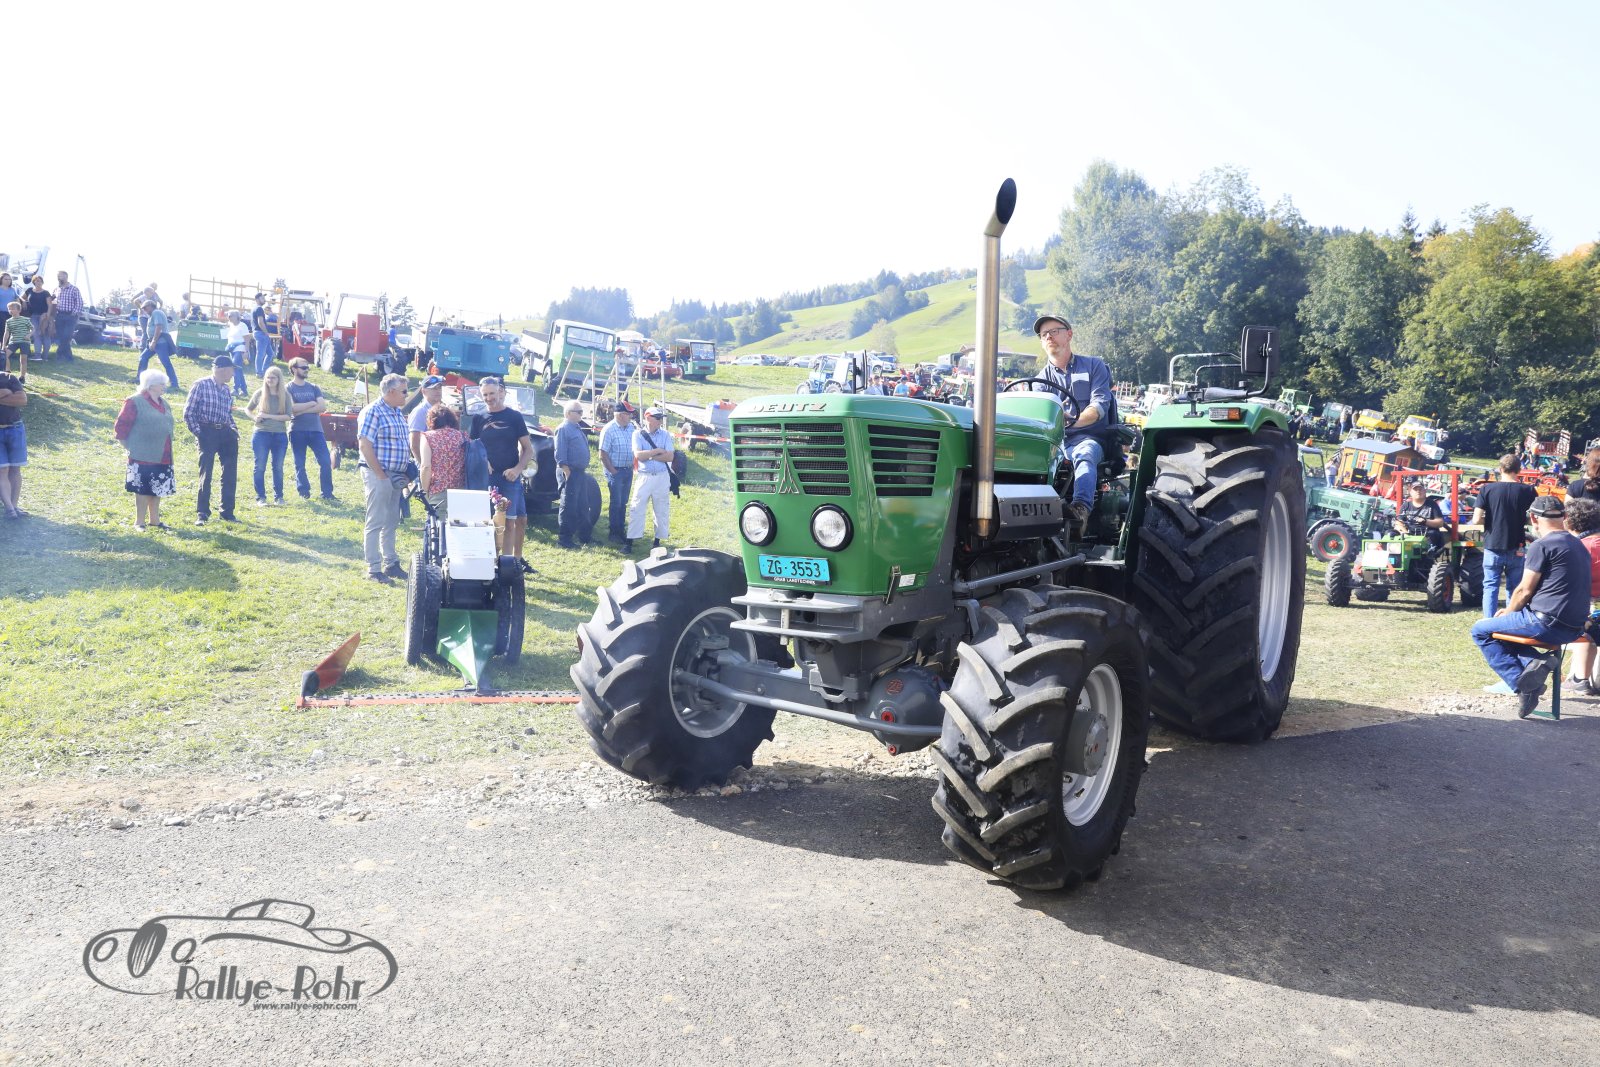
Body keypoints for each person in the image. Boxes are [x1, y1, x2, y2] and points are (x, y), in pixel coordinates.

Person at [1470, 496, 1593, 717]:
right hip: (1575, 627)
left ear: (1533, 518)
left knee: (1480, 630)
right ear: (1564, 516)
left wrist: (1508, 612)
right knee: (1502, 631)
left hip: (1546, 622)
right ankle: (1534, 663)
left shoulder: (1542, 545)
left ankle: (1523, 686)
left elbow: (1524, 590)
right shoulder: (1579, 545)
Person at [1032, 313, 1116, 530]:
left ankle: (1080, 510)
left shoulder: (1094, 366)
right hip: (1055, 442)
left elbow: (1099, 406)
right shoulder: (1039, 381)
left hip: (1089, 438)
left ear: (1068, 335)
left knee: (1084, 452)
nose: (1048, 336)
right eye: (1044, 334)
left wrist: (1070, 422)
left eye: (1054, 331)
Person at [470, 376, 535, 570]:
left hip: (509, 478)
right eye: (485, 395)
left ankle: (507, 566)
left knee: (509, 523)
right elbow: (472, 446)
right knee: (489, 522)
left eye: (492, 393)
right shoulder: (478, 417)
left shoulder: (514, 417)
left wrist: (517, 469)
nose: (489, 398)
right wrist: (483, 461)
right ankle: (489, 562)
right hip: (487, 478)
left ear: (500, 391)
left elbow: (528, 449)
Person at [356, 373, 412, 583]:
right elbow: (365, 445)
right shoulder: (373, 411)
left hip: (395, 476)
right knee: (376, 520)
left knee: (391, 521)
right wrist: (380, 475)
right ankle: (373, 568)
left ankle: (390, 563)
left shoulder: (396, 412)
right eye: (404, 391)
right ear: (391, 391)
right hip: (378, 474)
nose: (407, 395)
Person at [1470, 455, 1539, 617]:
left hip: (1492, 545)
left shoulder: (1486, 489)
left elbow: (1476, 519)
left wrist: (1491, 520)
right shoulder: (1528, 490)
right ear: (1519, 470)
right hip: (1517, 545)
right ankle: (1510, 621)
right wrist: (1520, 519)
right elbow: (1534, 518)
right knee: (1515, 588)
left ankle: (1489, 622)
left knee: (1490, 586)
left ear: (1500, 469)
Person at [113, 369, 177, 530]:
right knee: (142, 489)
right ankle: (139, 522)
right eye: (161, 384)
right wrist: (130, 447)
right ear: (151, 385)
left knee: (158, 487)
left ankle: (155, 520)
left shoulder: (164, 403)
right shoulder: (134, 401)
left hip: (163, 454)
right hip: (142, 455)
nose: (164, 386)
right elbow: (121, 427)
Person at [183, 356, 241, 525]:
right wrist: (200, 434)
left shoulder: (227, 390)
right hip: (207, 431)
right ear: (223, 369)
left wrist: (234, 430)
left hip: (226, 433)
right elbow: (188, 413)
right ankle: (202, 513)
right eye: (232, 370)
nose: (233, 374)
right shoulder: (200, 385)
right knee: (206, 473)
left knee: (230, 473)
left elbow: (228, 413)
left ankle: (227, 512)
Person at [1558, 497, 1600, 695]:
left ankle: (1580, 679)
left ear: (1568, 520)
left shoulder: (1579, 547)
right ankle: (1580, 678)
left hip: (1589, 611)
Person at [285, 357, 334, 500]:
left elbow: (322, 407)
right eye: (303, 367)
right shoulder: (288, 388)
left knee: (325, 461)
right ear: (294, 369)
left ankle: (327, 493)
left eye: (307, 367)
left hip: (316, 430)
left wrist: (302, 410)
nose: (307, 370)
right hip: (297, 430)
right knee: (299, 463)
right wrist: (311, 403)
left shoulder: (314, 387)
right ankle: (303, 492)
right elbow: (292, 408)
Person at [627, 407, 673, 551]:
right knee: (636, 508)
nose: (660, 421)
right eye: (657, 418)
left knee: (661, 509)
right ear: (648, 418)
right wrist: (657, 451)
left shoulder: (665, 434)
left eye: (661, 418)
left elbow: (670, 457)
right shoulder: (637, 434)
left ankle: (657, 542)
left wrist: (650, 456)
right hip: (644, 476)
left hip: (661, 477)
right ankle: (630, 542)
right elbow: (638, 456)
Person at [247, 365, 293, 505]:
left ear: (279, 379)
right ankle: (260, 497)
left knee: (278, 467)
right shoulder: (260, 393)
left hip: (279, 435)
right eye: (268, 377)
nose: (270, 380)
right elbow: (248, 409)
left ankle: (279, 497)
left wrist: (268, 416)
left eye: (273, 377)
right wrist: (255, 418)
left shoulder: (285, 395)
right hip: (261, 433)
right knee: (260, 466)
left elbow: (288, 416)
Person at [553, 398, 592, 550]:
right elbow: (560, 453)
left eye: (582, 411)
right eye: (579, 412)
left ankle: (585, 537)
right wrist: (567, 471)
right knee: (568, 506)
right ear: (569, 413)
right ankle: (564, 539)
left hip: (579, 472)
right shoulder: (563, 428)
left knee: (583, 505)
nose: (582, 414)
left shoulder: (576, 427)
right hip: (570, 472)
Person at [418, 405, 467, 516]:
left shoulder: (427, 437)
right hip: (461, 490)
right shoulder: (462, 436)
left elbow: (426, 466)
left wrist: (425, 490)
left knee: (437, 524)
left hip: (438, 490)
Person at [598, 401, 635, 544]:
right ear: (620, 415)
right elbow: (602, 454)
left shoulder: (631, 428)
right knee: (616, 503)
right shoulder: (609, 429)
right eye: (628, 414)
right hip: (616, 471)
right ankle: (614, 533)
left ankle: (621, 531)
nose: (630, 417)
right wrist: (613, 472)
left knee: (623, 502)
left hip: (628, 470)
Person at [134, 300, 181, 389]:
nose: (144, 310)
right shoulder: (153, 315)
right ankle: (140, 380)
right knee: (143, 357)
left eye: (145, 307)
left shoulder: (156, 312)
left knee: (166, 363)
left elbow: (159, 327)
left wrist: (154, 342)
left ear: (151, 305)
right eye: (143, 308)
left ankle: (174, 384)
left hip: (160, 342)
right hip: (154, 341)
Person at [0, 366, 26, 518]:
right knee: (2, 470)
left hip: (15, 429)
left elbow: (22, 400)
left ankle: (14, 506)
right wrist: (6, 393)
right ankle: (9, 509)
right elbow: (15, 399)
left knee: (15, 469)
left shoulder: (9, 378)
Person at [1395, 481, 1447, 554]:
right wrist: (1405, 533)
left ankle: (1428, 554)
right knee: (1390, 533)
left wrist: (1425, 521)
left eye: (1420, 489)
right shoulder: (1406, 505)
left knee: (1433, 534)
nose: (1418, 491)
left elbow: (1440, 523)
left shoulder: (1432, 504)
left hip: (1427, 533)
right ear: (1411, 492)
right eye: (1415, 489)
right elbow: (1398, 523)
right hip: (1409, 533)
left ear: (1424, 491)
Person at [408, 375, 444, 459]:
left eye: (439, 388)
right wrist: (423, 464)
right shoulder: (420, 412)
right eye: (433, 388)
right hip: (426, 462)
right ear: (423, 391)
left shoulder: (442, 410)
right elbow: (414, 445)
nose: (437, 391)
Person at [51, 270, 82, 361]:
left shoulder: (74, 289)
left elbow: (79, 302)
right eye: (58, 276)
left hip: (70, 316)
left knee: (67, 335)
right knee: (61, 336)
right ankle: (68, 357)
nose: (59, 278)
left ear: (66, 277)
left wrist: (74, 313)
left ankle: (59, 353)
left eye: (60, 276)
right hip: (60, 315)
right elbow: (51, 299)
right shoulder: (56, 289)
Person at [21, 275, 50, 361]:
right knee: (36, 334)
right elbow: (21, 297)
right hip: (33, 316)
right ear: (33, 282)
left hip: (44, 316)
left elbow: (50, 305)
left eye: (40, 280)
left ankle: (45, 356)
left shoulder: (46, 293)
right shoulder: (29, 290)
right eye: (36, 281)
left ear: (42, 282)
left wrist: (48, 315)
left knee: (45, 335)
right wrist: (24, 301)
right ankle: (38, 355)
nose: (38, 282)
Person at [225, 310, 251, 397]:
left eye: (231, 315)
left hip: (240, 349)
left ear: (237, 317)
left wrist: (246, 351)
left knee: (235, 368)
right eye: (228, 315)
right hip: (232, 349)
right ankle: (244, 390)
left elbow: (247, 339)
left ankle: (235, 389)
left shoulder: (242, 325)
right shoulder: (231, 325)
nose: (229, 317)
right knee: (238, 369)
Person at [251, 293, 275, 379]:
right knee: (260, 354)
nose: (264, 300)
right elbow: (260, 322)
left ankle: (264, 371)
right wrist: (266, 333)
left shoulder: (255, 308)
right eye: (262, 298)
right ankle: (259, 372)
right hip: (261, 333)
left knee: (270, 354)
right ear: (257, 299)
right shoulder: (259, 309)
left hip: (259, 333)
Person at [3, 302, 29, 378]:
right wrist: (4, 344)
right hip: (13, 342)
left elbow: (33, 329)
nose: (10, 310)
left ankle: (22, 376)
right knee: (4, 356)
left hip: (24, 342)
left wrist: (29, 335)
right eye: (9, 309)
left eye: (13, 309)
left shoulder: (25, 320)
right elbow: (6, 333)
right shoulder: (8, 321)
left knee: (23, 359)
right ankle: (7, 373)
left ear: (19, 310)